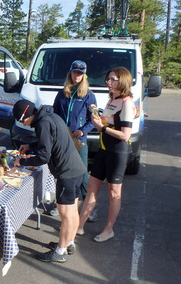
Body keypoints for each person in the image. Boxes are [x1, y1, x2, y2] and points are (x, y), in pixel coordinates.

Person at [12, 99, 87, 263]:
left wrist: (21, 162)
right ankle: (69, 242)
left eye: (22, 120)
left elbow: (44, 157)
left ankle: (60, 251)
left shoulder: (42, 123)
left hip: (66, 173)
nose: (24, 124)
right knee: (72, 210)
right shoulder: (50, 116)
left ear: (27, 115)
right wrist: (29, 146)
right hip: (76, 169)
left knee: (65, 214)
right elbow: (49, 142)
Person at [77, 67, 135, 243]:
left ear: (122, 81)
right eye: (108, 79)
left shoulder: (126, 102)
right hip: (104, 149)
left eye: (113, 79)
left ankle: (109, 229)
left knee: (113, 192)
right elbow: (107, 124)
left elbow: (125, 135)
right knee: (92, 189)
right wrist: (97, 116)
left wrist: (102, 127)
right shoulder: (112, 99)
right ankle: (78, 225)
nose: (109, 83)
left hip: (118, 151)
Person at [53, 60, 98, 220]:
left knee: (83, 173)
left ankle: (89, 208)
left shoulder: (89, 95)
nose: (77, 75)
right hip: (63, 140)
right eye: (74, 72)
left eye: (80, 73)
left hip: (79, 141)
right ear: (70, 73)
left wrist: (83, 130)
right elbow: (55, 114)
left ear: (84, 75)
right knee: (61, 171)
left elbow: (94, 118)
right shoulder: (62, 93)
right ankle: (59, 203)